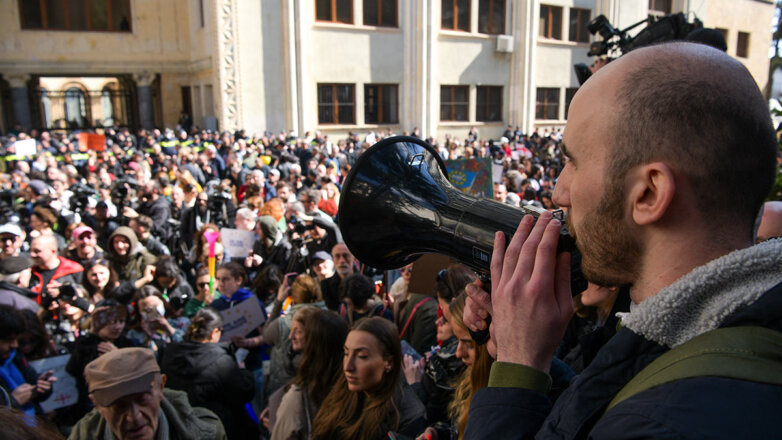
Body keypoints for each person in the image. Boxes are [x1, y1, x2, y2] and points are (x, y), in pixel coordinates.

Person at [462, 42, 782, 439]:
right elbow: (615, 404)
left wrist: (515, 371)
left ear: (649, 194)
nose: (559, 192)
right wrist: (532, 356)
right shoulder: (724, 343)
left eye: (574, 161)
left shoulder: (666, 425)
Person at [69, 347, 227, 440]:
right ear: (97, 405)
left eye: (142, 400)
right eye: (119, 406)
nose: (134, 417)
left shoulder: (207, 433)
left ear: (161, 387)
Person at [312, 317, 427, 439]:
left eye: (362, 356)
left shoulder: (409, 418)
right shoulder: (342, 394)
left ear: (388, 362)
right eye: (346, 354)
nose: (348, 366)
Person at [160, 308, 258, 440]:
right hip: (218, 428)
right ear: (214, 332)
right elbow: (244, 391)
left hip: (181, 428)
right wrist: (243, 371)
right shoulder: (221, 363)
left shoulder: (169, 354)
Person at [269, 309, 348, 440]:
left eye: (299, 331)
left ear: (314, 344)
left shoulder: (300, 396)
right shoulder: (354, 385)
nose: (291, 337)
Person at [0, 305, 56, 416]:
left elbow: (33, 385)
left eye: (16, 339)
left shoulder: (16, 357)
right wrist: (12, 402)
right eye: (9, 340)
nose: (15, 345)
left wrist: (40, 387)